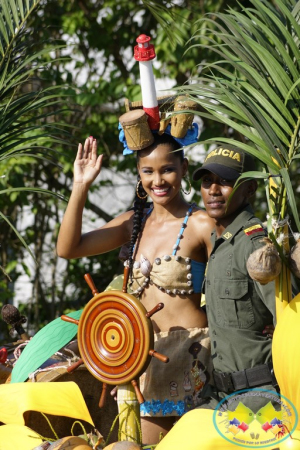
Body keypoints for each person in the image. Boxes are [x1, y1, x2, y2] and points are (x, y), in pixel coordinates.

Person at [56, 134, 215, 444]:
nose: (158, 180)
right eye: (148, 171)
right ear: (139, 174)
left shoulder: (201, 223)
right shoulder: (134, 225)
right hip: (145, 361)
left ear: (184, 168)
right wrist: (80, 186)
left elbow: (230, 283)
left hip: (195, 358)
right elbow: (68, 248)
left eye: (167, 169)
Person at [192, 147, 278, 411]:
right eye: (207, 181)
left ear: (250, 189)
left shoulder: (257, 246)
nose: (214, 190)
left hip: (261, 396)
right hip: (218, 395)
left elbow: (289, 325)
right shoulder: (218, 243)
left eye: (226, 181)